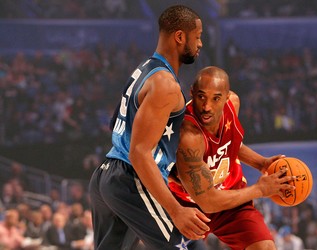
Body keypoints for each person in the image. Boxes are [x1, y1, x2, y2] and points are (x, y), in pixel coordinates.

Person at [88, 5, 210, 250]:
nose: (200, 44)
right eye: (197, 37)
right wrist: (175, 210)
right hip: (131, 178)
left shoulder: (144, 70)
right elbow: (139, 152)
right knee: (189, 246)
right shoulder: (164, 84)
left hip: (107, 175)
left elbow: (117, 124)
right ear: (180, 37)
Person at [168, 66, 296, 250]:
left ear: (227, 97)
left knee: (265, 247)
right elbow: (208, 201)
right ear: (192, 93)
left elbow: (231, 144)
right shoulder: (189, 136)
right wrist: (260, 189)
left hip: (230, 199)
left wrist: (261, 163)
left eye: (216, 98)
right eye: (201, 97)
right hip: (189, 208)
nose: (207, 106)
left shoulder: (233, 104)